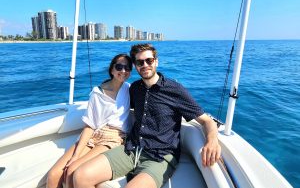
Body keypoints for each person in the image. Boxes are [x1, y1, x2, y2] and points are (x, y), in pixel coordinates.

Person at [73, 43, 221, 188]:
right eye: (139, 62)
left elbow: (206, 121)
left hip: (160, 155)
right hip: (131, 149)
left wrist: (212, 140)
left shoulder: (175, 90)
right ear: (136, 66)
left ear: (156, 61)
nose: (145, 65)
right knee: (80, 177)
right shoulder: (135, 88)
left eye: (149, 60)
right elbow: (115, 103)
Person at [46, 54, 133, 188]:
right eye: (119, 67)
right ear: (112, 70)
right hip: (94, 133)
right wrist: (76, 155)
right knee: (53, 174)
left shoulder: (129, 89)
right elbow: (90, 125)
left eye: (127, 68)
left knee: (71, 171)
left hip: (114, 137)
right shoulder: (97, 93)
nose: (123, 71)